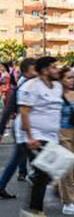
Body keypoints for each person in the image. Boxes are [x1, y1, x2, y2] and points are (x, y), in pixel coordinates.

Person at [17, 55, 65, 217]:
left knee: (56, 167)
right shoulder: (30, 87)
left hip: (52, 135)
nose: (57, 69)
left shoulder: (57, 87)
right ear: (45, 70)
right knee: (45, 171)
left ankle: (35, 204)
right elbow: (24, 113)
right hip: (34, 135)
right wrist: (30, 137)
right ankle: (34, 210)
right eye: (54, 67)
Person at [0, 56, 36, 199]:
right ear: (27, 72)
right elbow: (8, 109)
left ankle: (25, 175)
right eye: (35, 69)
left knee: (23, 155)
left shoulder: (34, 84)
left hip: (29, 127)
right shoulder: (24, 86)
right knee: (24, 155)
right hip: (22, 126)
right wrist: (1, 130)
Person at [56, 66, 74, 217]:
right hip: (60, 134)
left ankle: (54, 184)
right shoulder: (55, 95)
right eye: (68, 77)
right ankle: (68, 203)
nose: (72, 80)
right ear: (60, 79)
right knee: (66, 170)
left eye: (73, 77)